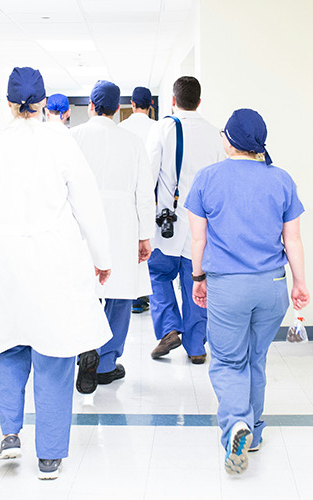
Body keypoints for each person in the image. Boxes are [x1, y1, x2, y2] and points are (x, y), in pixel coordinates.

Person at [0, 67, 113, 480]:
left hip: (3, 265)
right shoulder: (61, 143)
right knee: (54, 355)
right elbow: (88, 205)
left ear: (8, 104)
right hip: (53, 263)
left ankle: (10, 434)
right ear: (43, 103)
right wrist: (102, 257)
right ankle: (49, 456)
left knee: (7, 347)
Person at [185, 108, 310, 475]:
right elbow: (294, 240)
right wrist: (300, 283)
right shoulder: (282, 179)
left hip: (229, 287)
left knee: (227, 361)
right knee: (256, 359)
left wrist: (197, 278)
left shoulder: (207, 178)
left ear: (230, 139)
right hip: (272, 286)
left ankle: (236, 423)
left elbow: (198, 239)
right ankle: (253, 434)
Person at [71, 80, 155, 392]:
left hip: (82, 223)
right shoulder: (132, 141)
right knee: (119, 294)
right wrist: (145, 236)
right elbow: (145, 194)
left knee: (83, 290)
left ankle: (83, 350)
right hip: (122, 223)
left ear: (91, 106)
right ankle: (105, 364)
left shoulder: (73, 138)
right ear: (117, 109)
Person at [146, 76, 226, 364]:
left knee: (157, 275)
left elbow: (148, 175)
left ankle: (169, 328)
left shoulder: (164, 128)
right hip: (202, 227)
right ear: (199, 101)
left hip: (166, 224)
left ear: (172, 100)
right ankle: (196, 347)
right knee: (197, 282)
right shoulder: (215, 134)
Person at [119, 86, 156, 314]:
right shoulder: (158, 128)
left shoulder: (121, 129)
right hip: (150, 195)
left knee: (128, 247)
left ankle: (133, 297)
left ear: (132, 104)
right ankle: (145, 296)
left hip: (126, 197)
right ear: (150, 104)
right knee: (149, 247)